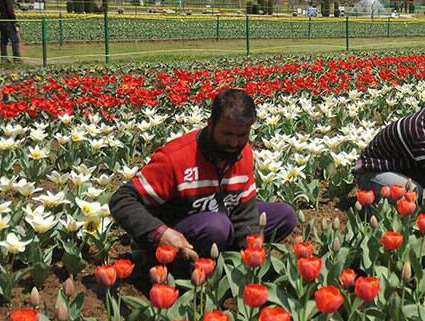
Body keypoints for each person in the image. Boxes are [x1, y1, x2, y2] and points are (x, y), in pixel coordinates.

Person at [110, 89, 297, 260]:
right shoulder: (177, 158)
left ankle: (224, 260)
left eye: (241, 135)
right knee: (217, 226)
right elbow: (122, 200)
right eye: (227, 134)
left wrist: (250, 253)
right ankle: (178, 266)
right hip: (176, 234)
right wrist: (160, 233)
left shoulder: (243, 152)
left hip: (218, 220)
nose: (234, 142)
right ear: (210, 124)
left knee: (284, 215)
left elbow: (244, 211)